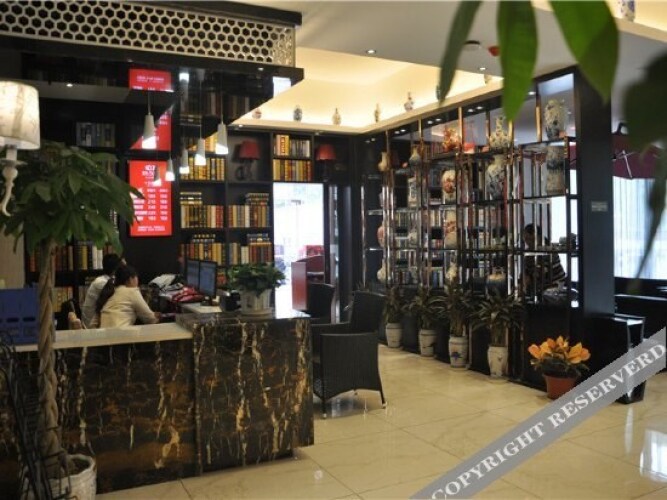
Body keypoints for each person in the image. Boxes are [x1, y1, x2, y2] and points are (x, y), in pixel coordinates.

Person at [522, 223, 566, 297]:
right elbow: (526, 270)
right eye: (525, 239)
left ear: (537, 237)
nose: (526, 242)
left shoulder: (548, 249)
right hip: (541, 286)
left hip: (556, 286)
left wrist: (529, 277)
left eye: (528, 239)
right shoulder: (530, 251)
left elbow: (542, 271)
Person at [81, 253, 124, 328]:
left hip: (93, 323)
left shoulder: (104, 280)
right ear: (116, 269)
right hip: (91, 327)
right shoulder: (102, 282)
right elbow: (120, 296)